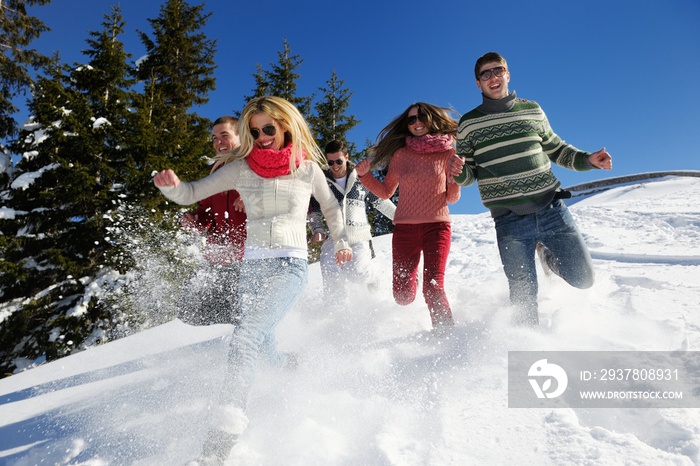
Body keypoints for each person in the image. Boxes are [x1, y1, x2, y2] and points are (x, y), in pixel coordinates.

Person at [153, 96, 352, 465]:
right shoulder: (242, 169)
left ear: (286, 126)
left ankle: (220, 439)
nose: (261, 136)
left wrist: (340, 240)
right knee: (260, 344)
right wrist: (171, 187)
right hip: (252, 270)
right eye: (254, 130)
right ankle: (287, 369)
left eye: (268, 129)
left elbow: (329, 206)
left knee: (244, 337)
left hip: (289, 267)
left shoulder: (306, 169)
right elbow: (193, 193)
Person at [450, 51, 613, 326]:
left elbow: (557, 149)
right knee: (523, 301)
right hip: (509, 221)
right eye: (485, 74)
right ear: (478, 83)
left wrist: (588, 160)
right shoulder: (468, 124)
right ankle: (528, 353)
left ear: (508, 74)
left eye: (498, 70)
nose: (493, 77)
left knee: (584, 279)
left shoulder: (531, 109)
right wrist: (458, 171)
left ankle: (547, 257)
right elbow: (469, 175)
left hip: (551, 208)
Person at [356, 103, 461, 331]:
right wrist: (364, 176)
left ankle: (447, 336)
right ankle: (412, 281)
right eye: (411, 120)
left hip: (437, 228)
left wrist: (454, 179)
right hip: (405, 231)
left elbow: (451, 198)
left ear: (432, 119)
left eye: (421, 117)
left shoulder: (448, 153)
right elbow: (386, 192)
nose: (416, 123)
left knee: (433, 287)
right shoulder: (401, 155)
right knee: (402, 296)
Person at [178, 116, 247, 326]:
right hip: (217, 258)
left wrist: (253, 197)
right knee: (190, 312)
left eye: (224, 135)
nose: (218, 142)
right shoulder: (216, 172)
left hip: (247, 259)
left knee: (240, 319)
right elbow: (205, 211)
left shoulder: (254, 167)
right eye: (215, 137)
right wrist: (194, 221)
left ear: (240, 136)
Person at [309, 139, 396, 300]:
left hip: (358, 235)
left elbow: (381, 201)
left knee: (358, 273)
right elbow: (313, 211)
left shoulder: (360, 179)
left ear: (346, 157)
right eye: (330, 162)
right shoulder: (321, 182)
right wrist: (318, 230)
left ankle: (375, 274)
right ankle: (336, 314)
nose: (335, 166)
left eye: (339, 161)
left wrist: (401, 217)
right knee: (330, 274)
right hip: (333, 237)